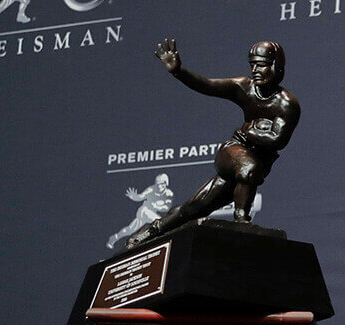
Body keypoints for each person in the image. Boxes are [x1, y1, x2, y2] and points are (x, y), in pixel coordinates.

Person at [125, 39, 300, 248]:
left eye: (261, 65)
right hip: (233, 151)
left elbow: (277, 140)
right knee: (249, 168)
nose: (255, 70)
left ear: (276, 66)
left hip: (254, 160)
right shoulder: (244, 87)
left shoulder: (286, 104)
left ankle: (152, 231)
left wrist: (250, 132)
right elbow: (208, 85)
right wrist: (178, 72)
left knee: (196, 207)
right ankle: (242, 222)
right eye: (252, 64)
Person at [107, 173, 174, 249]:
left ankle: (115, 237)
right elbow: (141, 196)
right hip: (144, 211)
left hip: (152, 213)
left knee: (130, 229)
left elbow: (166, 207)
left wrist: (156, 206)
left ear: (166, 183)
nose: (159, 186)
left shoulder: (169, 194)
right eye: (157, 184)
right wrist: (135, 197)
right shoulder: (151, 189)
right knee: (161, 223)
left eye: (161, 184)